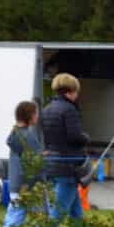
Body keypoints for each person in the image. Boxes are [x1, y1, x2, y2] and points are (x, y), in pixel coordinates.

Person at [38, 73, 89, 219]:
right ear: (70, 91)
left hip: (52, 165)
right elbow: (74, 137)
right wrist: (86, 138)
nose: (77, 95)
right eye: (76, 92)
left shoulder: (46, 110)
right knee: (57, 214)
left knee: (76, 213)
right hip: (68, 167)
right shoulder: (70, 110)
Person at [2, 100, 43, 227]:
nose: (38, 116)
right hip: (29, 185)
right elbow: (36, 162)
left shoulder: (15, 134)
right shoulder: (28, 136)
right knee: (41, 222)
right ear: (30, 115)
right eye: (36, 113)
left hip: (16, 184)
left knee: (12, 220)